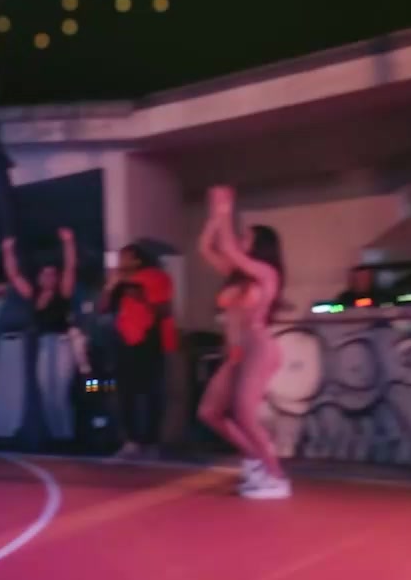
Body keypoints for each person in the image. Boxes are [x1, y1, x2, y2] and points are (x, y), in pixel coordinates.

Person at [195, 186, 289, 500]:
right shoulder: (236, 274)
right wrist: (215, 217)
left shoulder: (266, 273)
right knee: (210, 411)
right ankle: (255, 459)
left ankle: (276, 478)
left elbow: (228, 247)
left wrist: (224, 212)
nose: (240, 240)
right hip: (236, 352)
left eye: (246, 237)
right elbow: (205, 247)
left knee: (244, 413)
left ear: (260, 245)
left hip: (258, 346)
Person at [0, 230, 79, 441]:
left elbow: (70, 267)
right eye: (46, 274)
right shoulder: (33, 294)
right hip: (44, 345)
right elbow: (14, 275)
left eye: (53, 274)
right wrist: (7, 251)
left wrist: (68, 242)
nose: (49, 277)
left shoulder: (63, 293)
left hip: (61, 343)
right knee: (46, 393)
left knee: (60, 392)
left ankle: (67, 436)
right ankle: (56, 436)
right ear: (40, 277)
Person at [100, 242, 174, 457]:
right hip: (124, 342)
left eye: (125, 258)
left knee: (151, 392)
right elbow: (103, 307)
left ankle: (151, 441)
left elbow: (164, 309)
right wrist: (110, 286)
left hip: (149, 340)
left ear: (137, 260)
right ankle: (130, 441)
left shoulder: (156, 277)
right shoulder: (119, 282)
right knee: (123, 391)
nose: (120, 262)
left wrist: (137, 294)